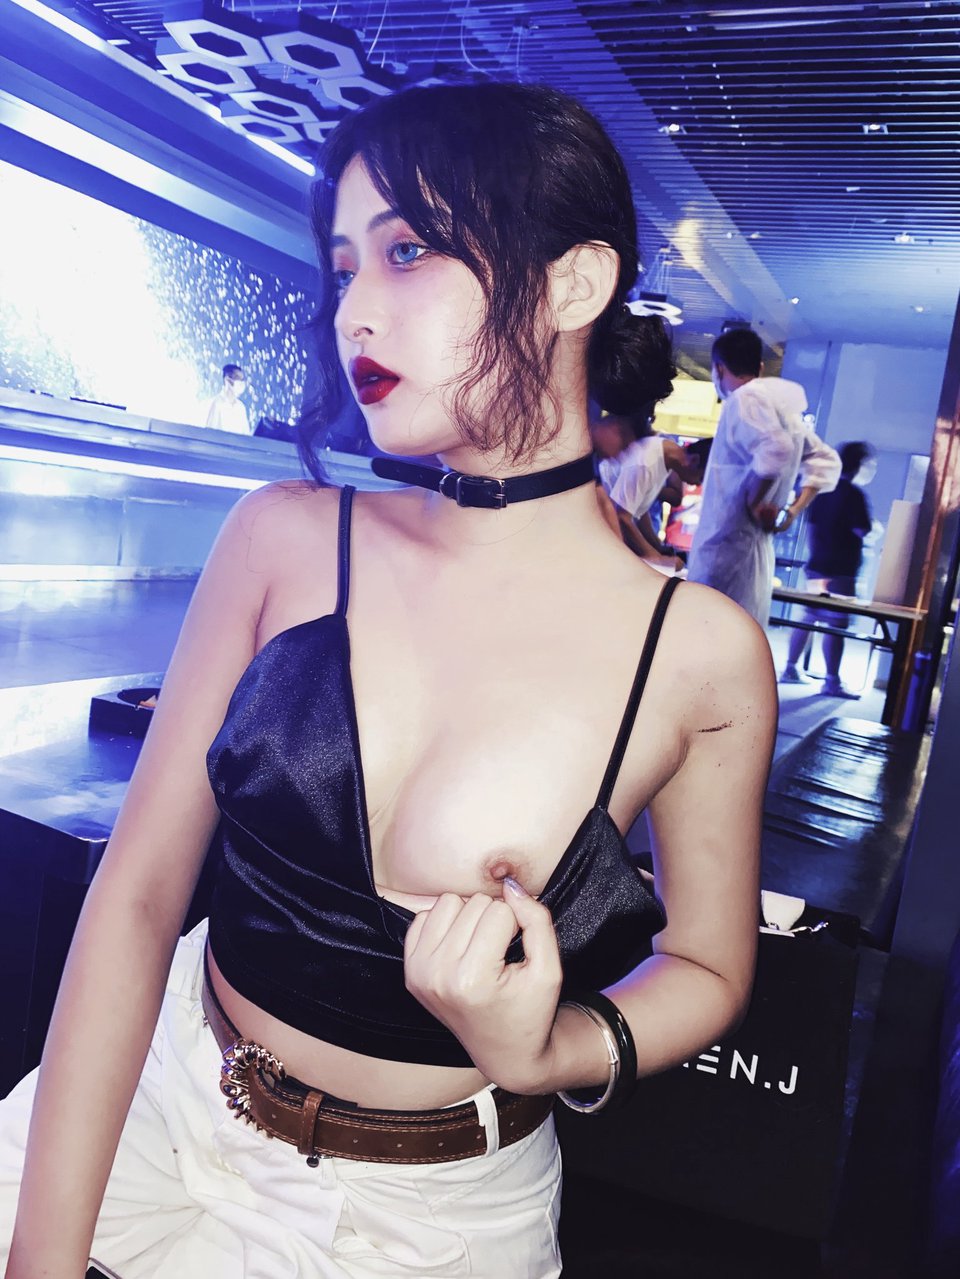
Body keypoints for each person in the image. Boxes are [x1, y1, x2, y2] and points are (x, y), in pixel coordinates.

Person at [1, 81, 776, 1278]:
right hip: (156, 1097)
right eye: (344, 266)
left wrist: (554, 1049)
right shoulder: (284, 537)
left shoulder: (700, 653)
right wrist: (41, 1253)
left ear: (574, 283)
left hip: (426, 1222)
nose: (354, 309)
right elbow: (138, 895)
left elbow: (713, 968)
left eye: (407, 251)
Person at [687, 328, 840, 626]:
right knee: (742, 630)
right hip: (754, 548)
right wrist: (792, 511)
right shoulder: (784, 412)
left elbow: (776, 449)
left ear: (718, 369)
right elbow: (825, 459)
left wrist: (754, 500)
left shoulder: (744, 398)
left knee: (710, 629)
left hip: (726, 545)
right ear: (759, 367)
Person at [781, 441, 878, 698]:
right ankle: (831, 680)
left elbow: (812, 528)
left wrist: (816, 557)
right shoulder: (854, 495)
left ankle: (790, 667)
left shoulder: (823, 491)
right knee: (836, 625)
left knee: (809, 616)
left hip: (818, 564)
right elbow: (862, 529)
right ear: (858, 465)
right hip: (842, 568)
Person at [591, 410, 698, 569]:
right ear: (614, 427)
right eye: (625, 445)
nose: (621, 455)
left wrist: (657, 551)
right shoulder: (645, 461)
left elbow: (636, 512)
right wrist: (658, 560)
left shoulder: (596, 466)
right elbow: (621, 516)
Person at [205, 364, 251, 434]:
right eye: (237, 378)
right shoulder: (217, 404)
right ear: (227, 380)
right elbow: (209, 433)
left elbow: (247, 435)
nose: (241, 382)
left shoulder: (241, 407)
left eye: (242, 379)